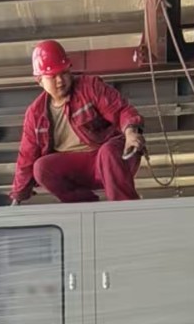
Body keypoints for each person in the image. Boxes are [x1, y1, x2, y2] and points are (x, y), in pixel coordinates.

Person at [10, 40, 147, 205]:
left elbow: (121, 109)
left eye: (64, 72)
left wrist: (131, 132)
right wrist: (18, 196)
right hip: (77, 169)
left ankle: (125, 208)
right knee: (41, 168)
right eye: (52, 76)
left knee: (108, 152)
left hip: (111, 159)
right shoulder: (35, 114)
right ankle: (85, 206)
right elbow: (26, 157)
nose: (60, 80)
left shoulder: (90, 87)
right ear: (39, 80)